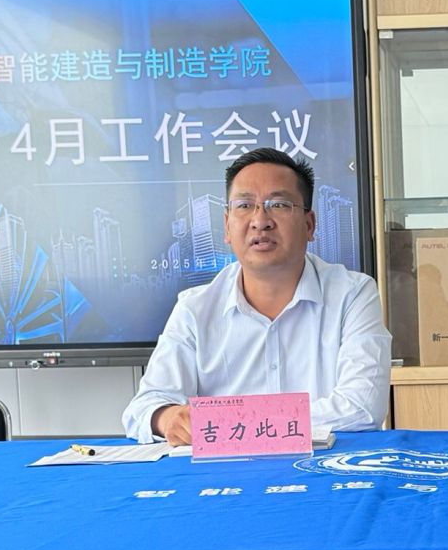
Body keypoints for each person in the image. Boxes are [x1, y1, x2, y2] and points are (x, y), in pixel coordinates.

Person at [124, 148, 390, 444]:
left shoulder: (352, 295)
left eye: (279, 204)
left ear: (309, 225)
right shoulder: (194, 308)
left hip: (325, 465)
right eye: (244, 205)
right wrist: (168, 418)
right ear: (227, 226)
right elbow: (143, 408)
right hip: (227, 469)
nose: (260, 220)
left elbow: (362, 407)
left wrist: (227, 425)